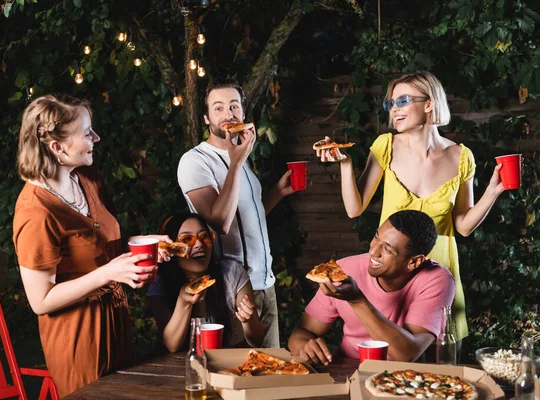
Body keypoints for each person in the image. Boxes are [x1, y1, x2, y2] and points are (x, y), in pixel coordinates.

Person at [316, 71, 504, 342]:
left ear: (429, 104)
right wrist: (345, 164)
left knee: (441, 365)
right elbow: (354, 209)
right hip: (396, 274)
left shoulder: (461, 157)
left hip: (439, 272)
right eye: (391, 104)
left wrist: (493, 192)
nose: (394, 110)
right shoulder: (385, 146)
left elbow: (462, 226)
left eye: (402, 101)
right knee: (396, 354)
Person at [12, 94, 170, 397]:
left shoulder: (87, 178)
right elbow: (40, 301)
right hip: (78, 337)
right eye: (87, 133)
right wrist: (109, 273)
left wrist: (145, 244)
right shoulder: (35, 212)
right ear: (57, 148)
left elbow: (101, 247)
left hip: (116, 325)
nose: (96, 138)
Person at [177, 80, 295, 348]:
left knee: (272, 378)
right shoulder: (194, 161)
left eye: (234, 106)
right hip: (234, 289)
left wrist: (277, 192)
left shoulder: (240, 155)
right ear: (206, 118)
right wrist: (237, 162)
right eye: (218, 108)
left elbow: (247, 216)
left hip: (266, 284)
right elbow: (220, 222)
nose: (228, 114)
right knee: (237, 379)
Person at [288, 210, 456, 363]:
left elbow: (407, 353)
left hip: (402, 378)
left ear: (414, 261)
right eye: (376, 237)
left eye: (388, 249)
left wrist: (356, 300)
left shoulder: (436, 279)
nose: (373, 252)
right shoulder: (344, 270)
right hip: (346, 369)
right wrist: (305, 347)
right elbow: (301, 332)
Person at [148, 213, 265, 351]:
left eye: (205, 236)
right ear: (172, 249)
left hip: (233, 364)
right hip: (182, 366)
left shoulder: (232, 273)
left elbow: (257, 341)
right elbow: (171, 345)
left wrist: (248, 321)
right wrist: (183, 302)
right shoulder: (159, 284)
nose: (199, 244)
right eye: (187, 239)